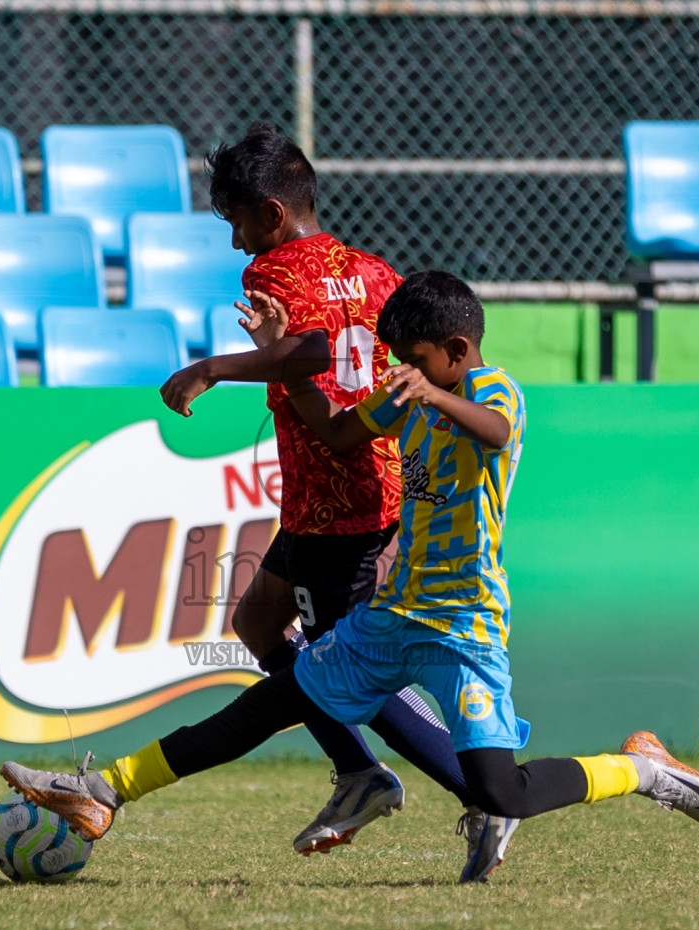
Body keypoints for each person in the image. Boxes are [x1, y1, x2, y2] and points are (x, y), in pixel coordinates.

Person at [0, 271, 699, 884]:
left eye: (414, 357)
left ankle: (645, 770)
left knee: (500, 789)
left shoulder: (492, 391)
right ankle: (103, 792)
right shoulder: (407, 392)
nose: (401, 368)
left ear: (457, 352)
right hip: (393, 615)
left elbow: (497, 433)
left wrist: (432, 397)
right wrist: (285, 367)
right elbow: (341, 432)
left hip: (464, 626)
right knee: (269, 703)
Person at [155, 121, 515, 877]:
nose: (236, 243)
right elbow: (366, 359)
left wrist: (217, 367)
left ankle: (475, 794)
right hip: (365, 482)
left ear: (274, 216)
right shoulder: (377, 272)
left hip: (335, 500)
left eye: (238, 222)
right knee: (257, 621)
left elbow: (315, 350)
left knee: (346, 665)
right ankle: (357, 772)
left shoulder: (272, 273)